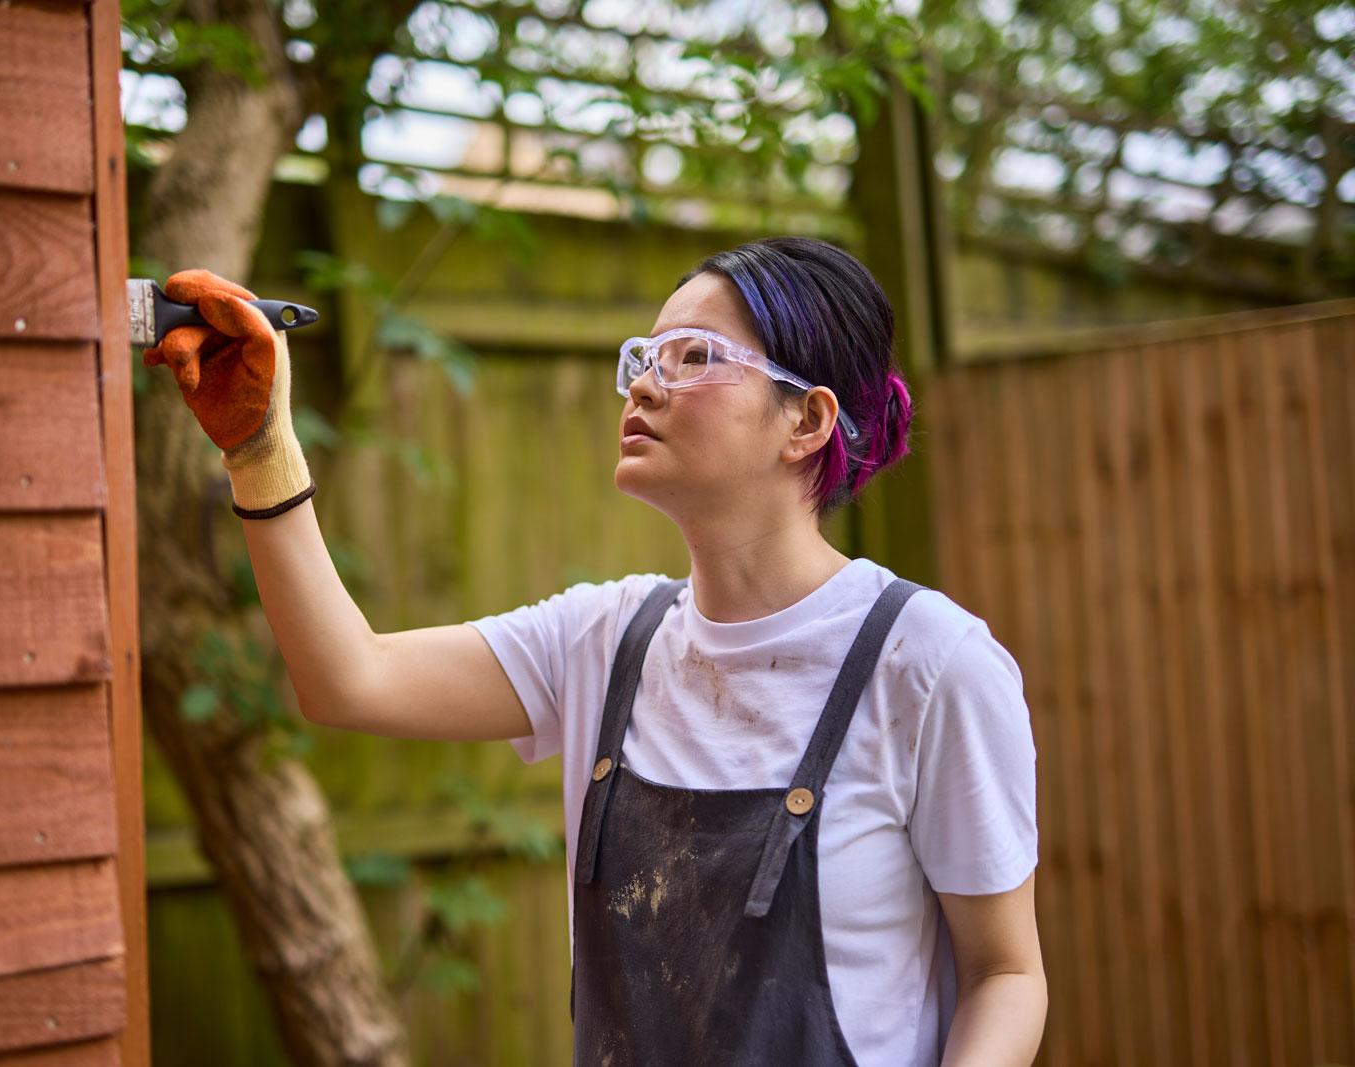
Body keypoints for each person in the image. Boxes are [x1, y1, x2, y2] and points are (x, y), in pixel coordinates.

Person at [142, 235, 1047, 1066]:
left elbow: (1006, 974)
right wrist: (263, 450)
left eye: (693, 358)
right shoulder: (607, 642)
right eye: (644, 358)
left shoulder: (930, 665)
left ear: (805, 421)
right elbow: (348, 678)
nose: (645, 385)